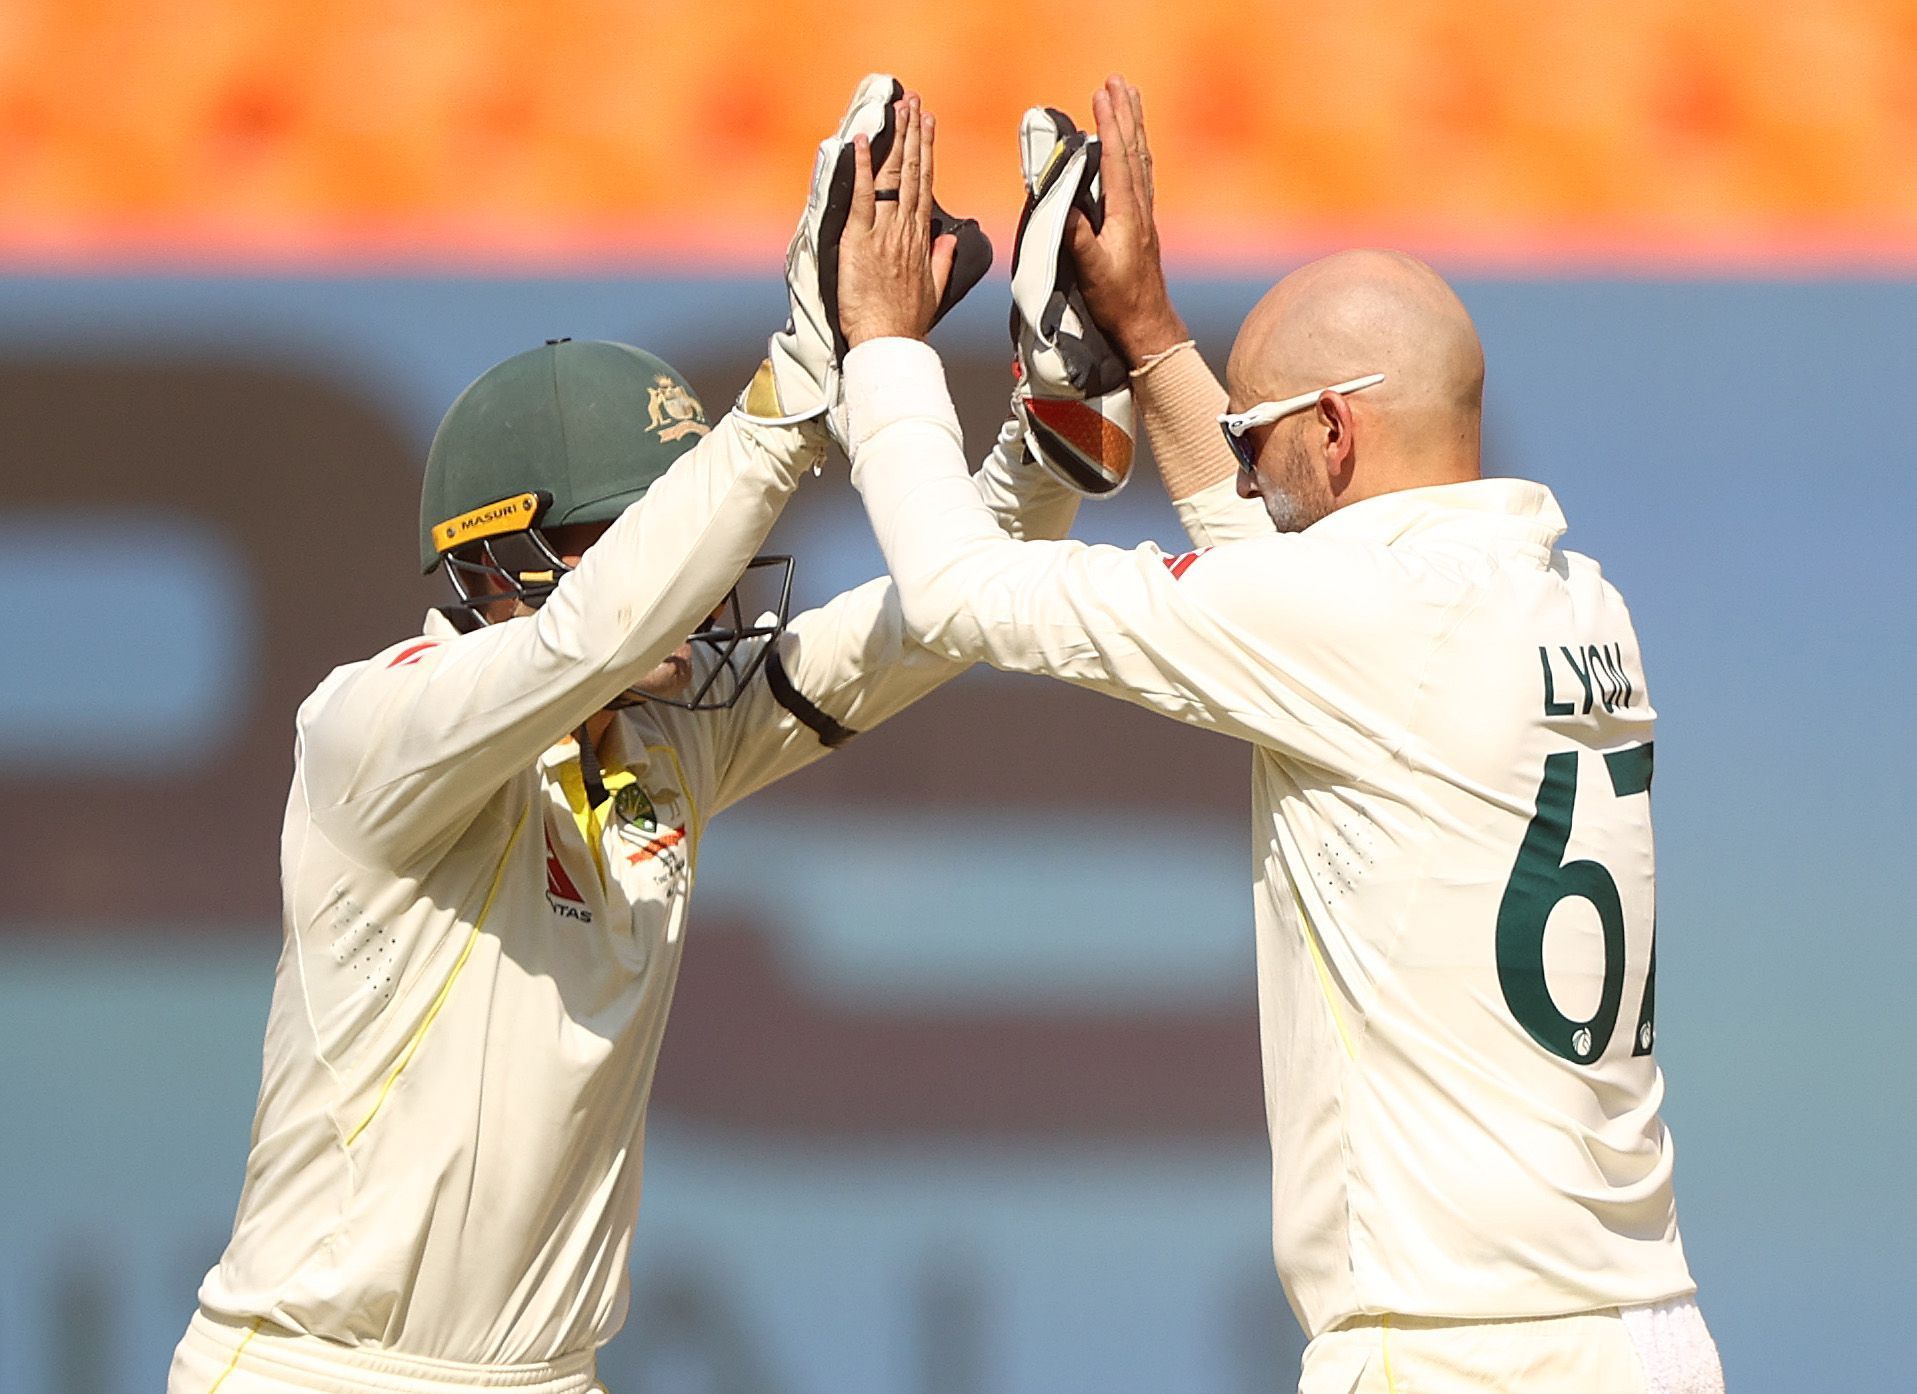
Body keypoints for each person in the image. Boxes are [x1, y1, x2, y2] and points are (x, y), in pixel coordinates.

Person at [166, 86, 1077, 1393]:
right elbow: (579, 637)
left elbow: (946, 613)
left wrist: (1049, 439)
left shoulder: (664, 741)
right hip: (319, 1369)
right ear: (496, 559)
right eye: (625, 533)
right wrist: (790, 395)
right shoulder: (371, 729)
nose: (694, 588)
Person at [835, 74, 1724, 1394]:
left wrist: (881, 345)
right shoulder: (1575, 598)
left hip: (1458, 1351)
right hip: (1640, 1325)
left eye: (1255, 441)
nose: (1236, 473)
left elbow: (960, 592)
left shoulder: (1362, 617)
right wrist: (1145, 331)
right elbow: (1287, 576)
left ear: (1335, 429)